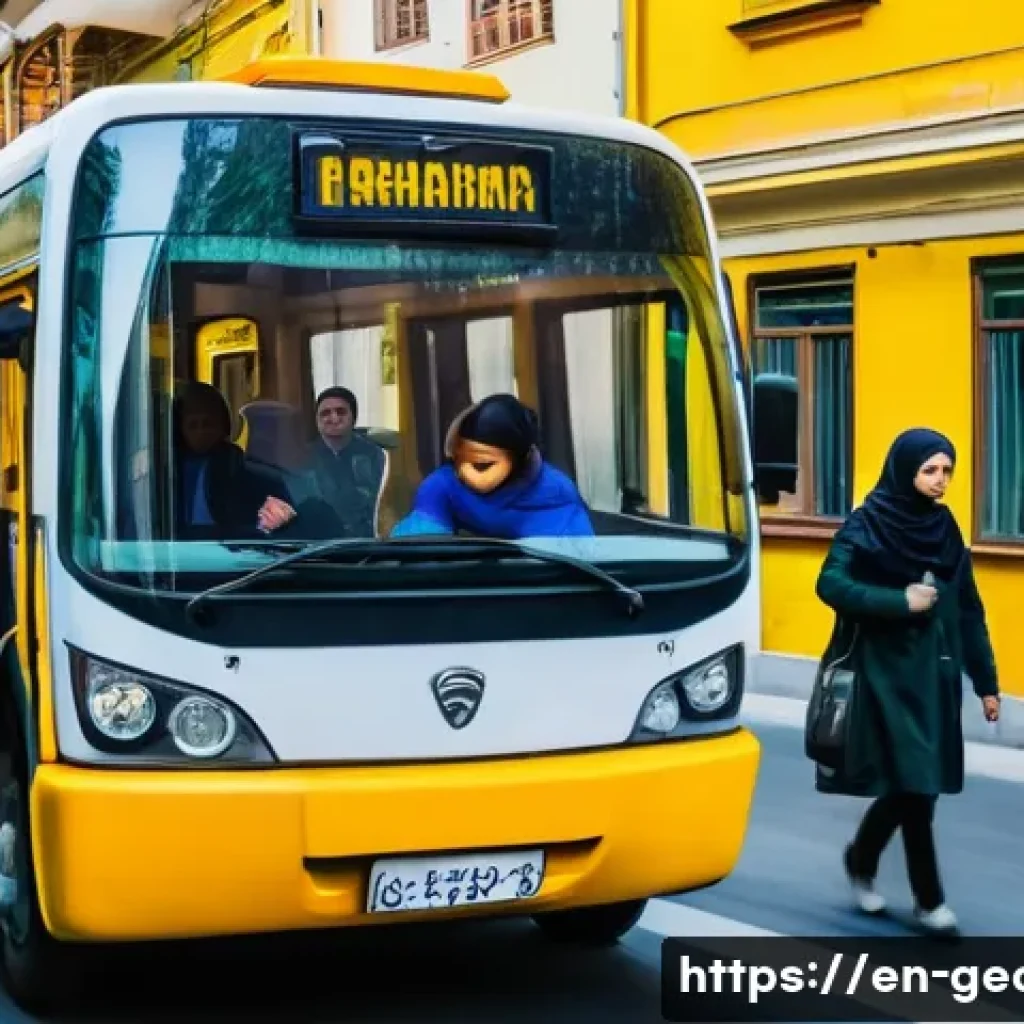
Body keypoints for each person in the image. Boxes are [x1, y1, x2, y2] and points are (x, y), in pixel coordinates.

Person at [814, 428, 1001, 935]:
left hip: (934, 678)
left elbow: (968, 610)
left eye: (947, 471)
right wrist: (899, 602)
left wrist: (986, 682)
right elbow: (830, 584)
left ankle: (861, 856)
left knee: (915, 787)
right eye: (930, 470)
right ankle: (930, 900)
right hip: (883, 677)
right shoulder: (868, 523)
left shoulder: (944, 530)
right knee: (918, 787)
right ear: (905, 470)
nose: (941, 481)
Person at [390, 393, 594, 539]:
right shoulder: (444, 487)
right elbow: (415, 555)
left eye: (482, 464)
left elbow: (575, 572)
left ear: (519, 458)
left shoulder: (556, 495)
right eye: (459, 459)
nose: (464, 471)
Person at [305, 386, 386, 538]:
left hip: (365, 541)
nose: (334, 418)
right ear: (317, 420)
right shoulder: (302, 457)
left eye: (341, 412)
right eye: (325, 413)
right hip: (316, 543)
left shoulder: (375, 455)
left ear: (353, 418)